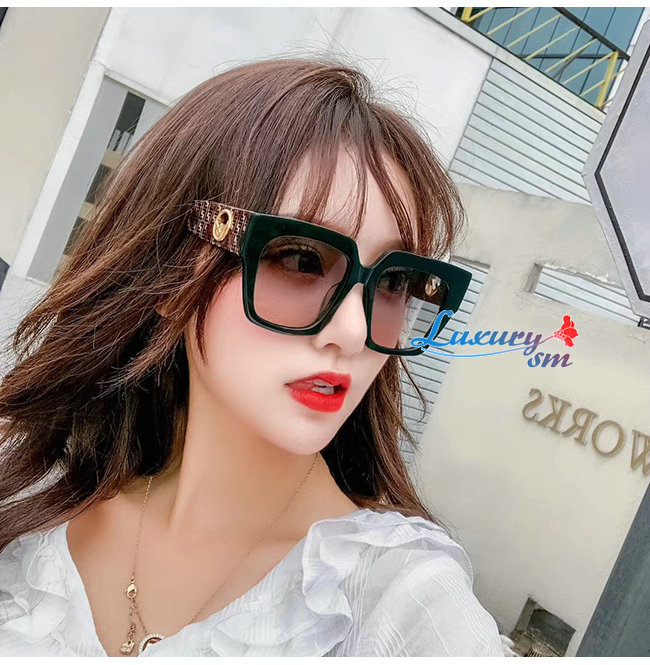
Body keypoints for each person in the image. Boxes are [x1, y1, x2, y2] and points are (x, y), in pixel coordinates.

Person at [0, 56, 514, 657]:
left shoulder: (401, 605)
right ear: (168, 272)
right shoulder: (34, 518)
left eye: (395, 282)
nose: (353, 331)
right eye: (300, 260)